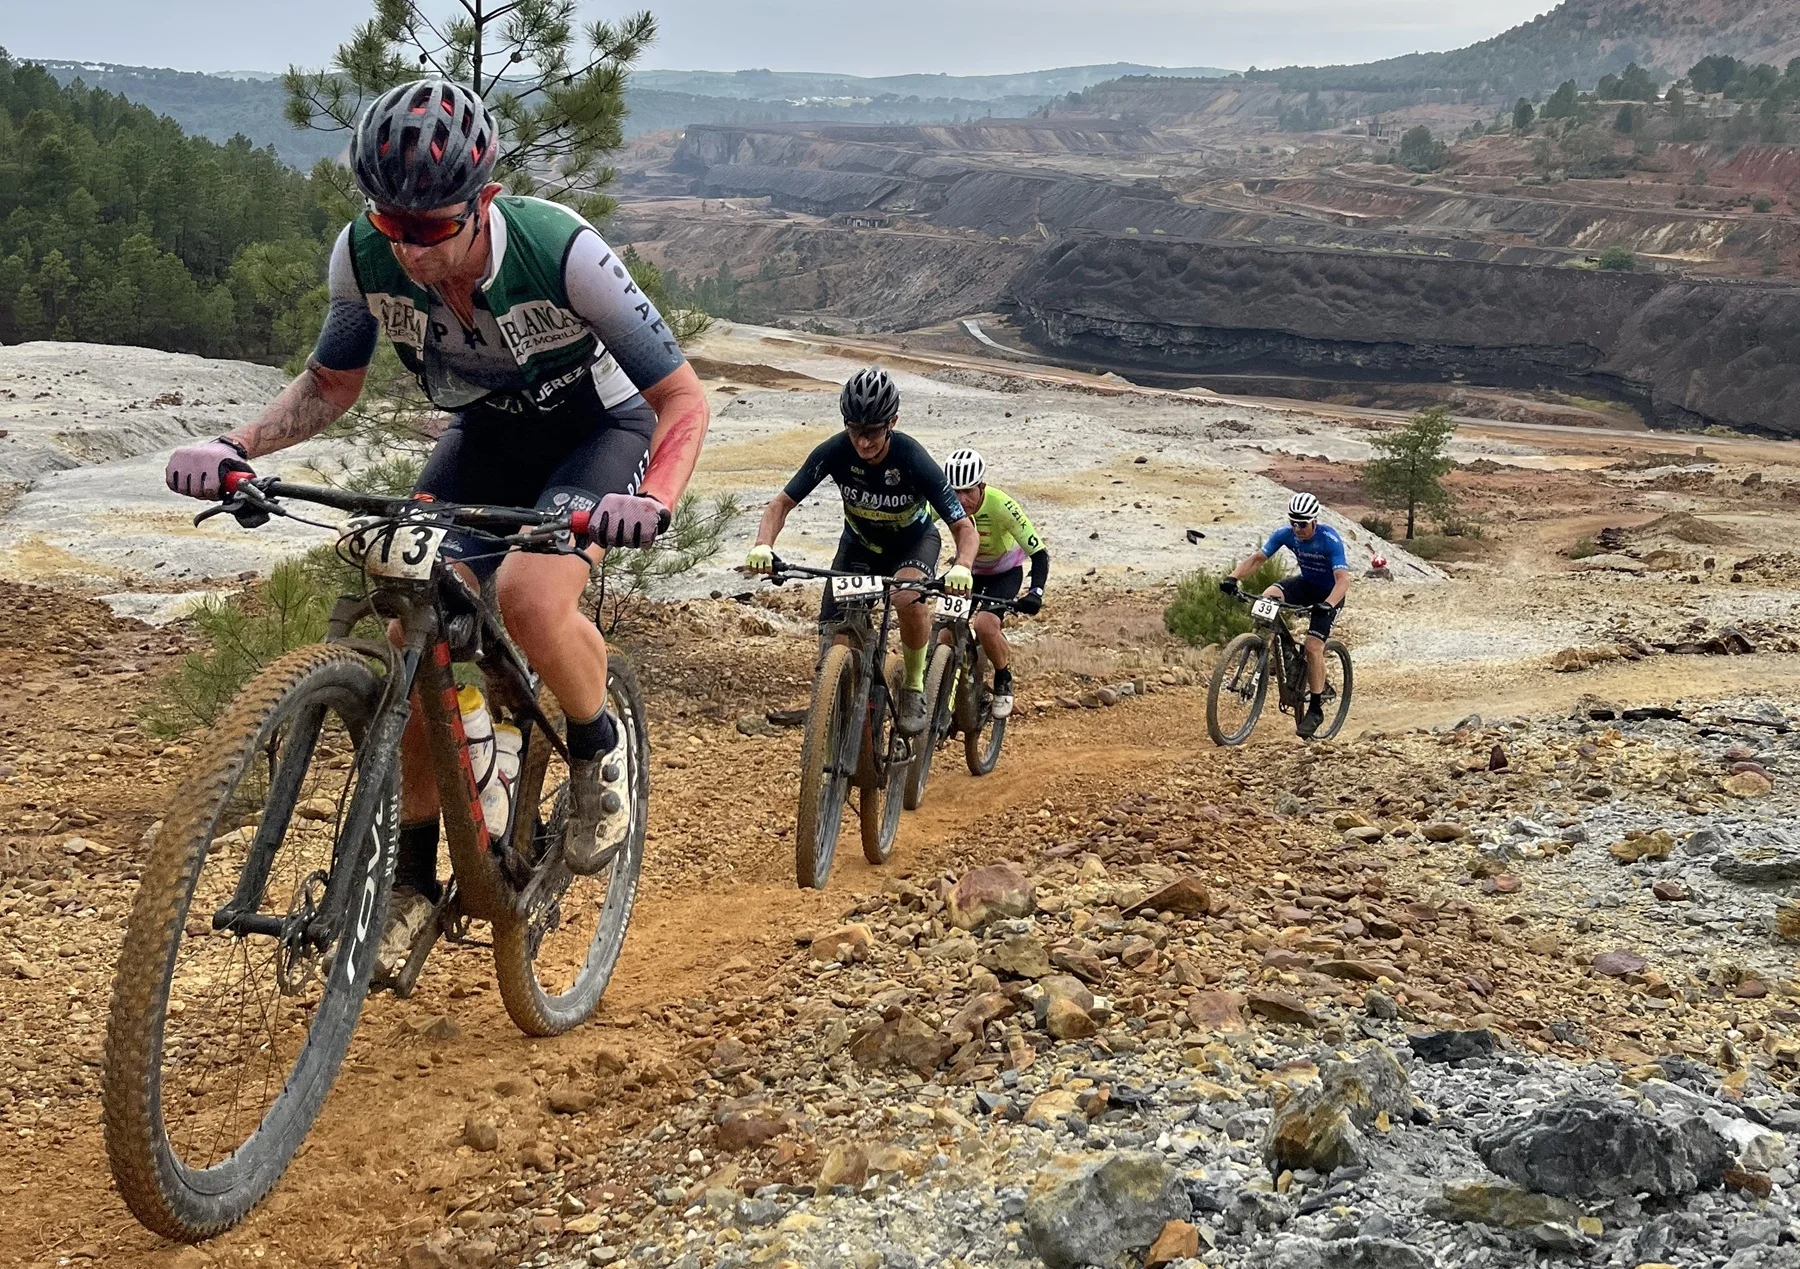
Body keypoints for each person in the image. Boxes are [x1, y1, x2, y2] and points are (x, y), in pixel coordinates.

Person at [162, 80, 712, 976]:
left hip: (597, 435)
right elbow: (331, 386)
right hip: (487, 435)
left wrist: (651, 497)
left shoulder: (561, 250)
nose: (410, 249)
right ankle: (416, 876)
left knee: (532, 596)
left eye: (429, 228)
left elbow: (681, 398)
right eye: (391, 225)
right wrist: (238, 443)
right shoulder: (362, 258)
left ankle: (596, 751)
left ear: (482, 200)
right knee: (409, 619)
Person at [744, 367, 979, 735]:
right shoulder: (835, 452)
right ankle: (840, 715)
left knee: (905, 598)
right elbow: (780, 505)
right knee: (833, 637)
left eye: (872, 432)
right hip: (859, 548)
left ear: (892, 423)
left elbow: (963, 526)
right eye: (855, 430)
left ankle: (914, 686)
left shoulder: (913, 458)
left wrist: (963, 565)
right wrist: (763, 545)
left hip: (912, 545)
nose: (863, 442)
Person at [1219, 492, 1349, 739]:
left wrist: (1329, 604)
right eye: (1293, 522)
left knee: (1313, 647)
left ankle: (1315, 708)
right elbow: (1258, 559)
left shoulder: (1329, 539)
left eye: (1302, 523)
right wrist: (1232, 577)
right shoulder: (1286, 534)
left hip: (1329, 594)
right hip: (1305, 585)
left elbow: (1342, 580)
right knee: (1268, 595)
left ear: (1314, 521)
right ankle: (1274, 648)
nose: (1297, 528)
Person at [938, 448, 1049, 719]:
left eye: (969, 492)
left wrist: (1035, 592)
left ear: (982, 486)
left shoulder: (1002, 505)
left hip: (1004, 573)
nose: (961, 500)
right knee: (944, 635)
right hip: (967, 570)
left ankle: (1003, 678)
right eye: (955, 492)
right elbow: (920, 528)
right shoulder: (942, 502)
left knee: (985, 625)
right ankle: (943, 694)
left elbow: (1039, 553)